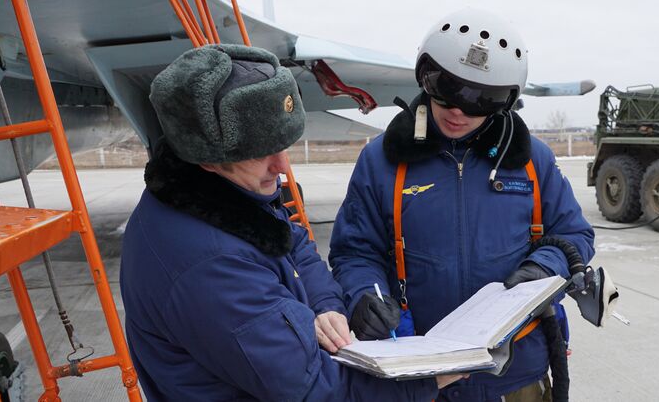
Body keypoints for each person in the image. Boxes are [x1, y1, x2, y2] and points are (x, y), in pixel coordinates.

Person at [119, 44, 462, 401]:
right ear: (206, 159)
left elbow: (289, 240)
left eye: (284, 145)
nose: (283, 167)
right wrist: (427, 379)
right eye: (262, 152)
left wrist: (326, 304)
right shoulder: (211, 266)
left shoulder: (219, 194)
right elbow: (315, 391)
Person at [329, 8, 595, 401]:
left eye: (481, 99)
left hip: (515, 371)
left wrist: (543, 267)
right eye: (446, 88)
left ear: (505, 101)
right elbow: (355, 251)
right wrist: (366, 295)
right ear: (424, 76)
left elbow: (574, 234)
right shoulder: (382, 162)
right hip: (420, 376)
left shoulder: (533, 161)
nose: (458, 110)